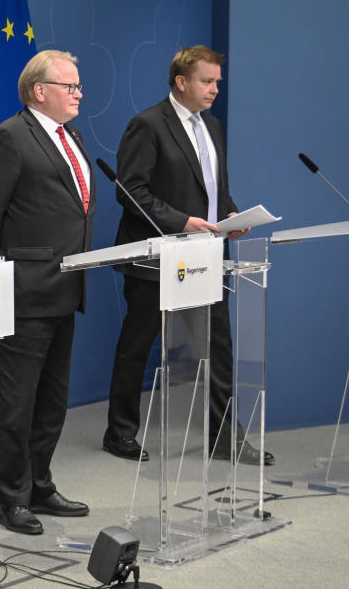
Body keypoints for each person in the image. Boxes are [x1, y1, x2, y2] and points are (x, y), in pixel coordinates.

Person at [103, 45, 272, 466]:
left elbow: (214, 189)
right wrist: (182, 221)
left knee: (218, 348)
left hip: (209, 257)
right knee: (137, 346)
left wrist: (231, 214)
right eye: (207, 81)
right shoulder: (147, 124)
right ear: (181, 82)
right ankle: (120, 433)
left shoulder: (212, 125)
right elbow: (130, 192)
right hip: (157, 258)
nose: (216, 88)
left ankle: (224, 437)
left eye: (217, 81)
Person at [0, 50, 95, 535]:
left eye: (79, 86)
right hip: (23, 292)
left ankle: (40, 484)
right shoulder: (10, 137)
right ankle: (13, 498)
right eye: (71, 86)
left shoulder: (71, 137)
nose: (79, 94)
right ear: (40, 91)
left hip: (66, 288)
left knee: (52, 401)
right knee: (19, 404)